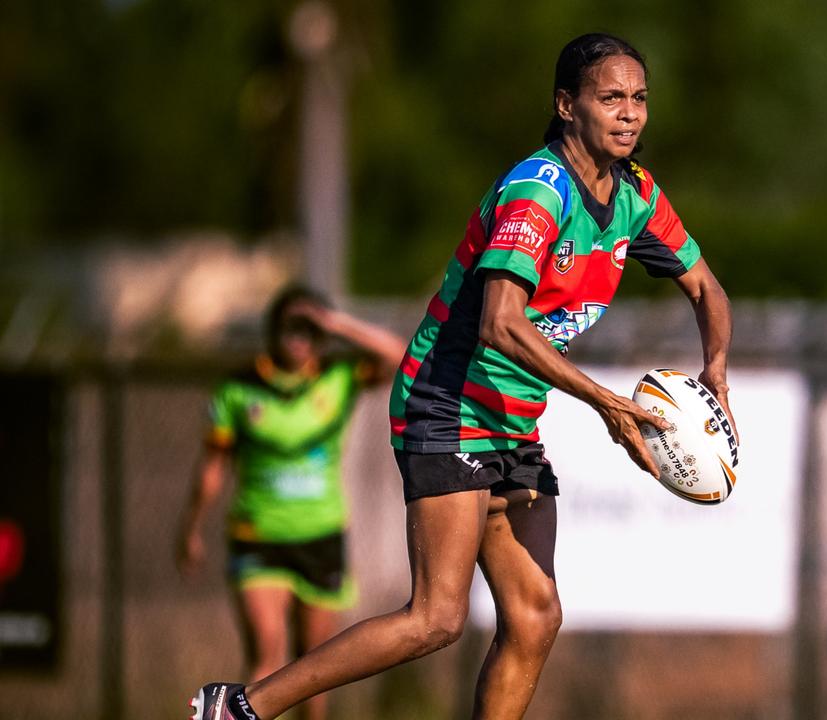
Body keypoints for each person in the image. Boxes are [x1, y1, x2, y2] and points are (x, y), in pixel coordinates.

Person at [189, 32, 734, 720]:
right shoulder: (540, 193)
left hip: (513, 419)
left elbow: (708, 290)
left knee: (535, 618)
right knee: (437, 617)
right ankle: (239, 707)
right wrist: (606, 404)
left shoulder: (636, 196)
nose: (628, 113)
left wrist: (715, 370)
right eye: (610, 97)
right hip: (447, 402)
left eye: (639, 98)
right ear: (567, 106)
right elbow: (499, 323)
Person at [177, 286, 405, 720]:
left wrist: (337, 322)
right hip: (258, 536)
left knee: (314, 670)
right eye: (291, 328)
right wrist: (191, 527)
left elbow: (397, 356)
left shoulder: (337, 378)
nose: (299, 339)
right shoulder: (239, 389)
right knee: (267, 656)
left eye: (309, 330)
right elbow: (212, 467)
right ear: (272, 331)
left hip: (320, 536)